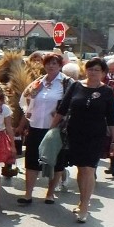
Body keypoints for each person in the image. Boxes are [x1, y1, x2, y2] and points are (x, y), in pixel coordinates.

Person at [53, 57, 114, 223]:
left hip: (95, 136)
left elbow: (112, 119)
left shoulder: (107, 92)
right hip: (75, 134)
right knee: (81, 169)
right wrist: (51, 130)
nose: (93, 72)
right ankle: (82, 200)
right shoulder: (76, 86)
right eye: (90, 69)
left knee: (89, 168)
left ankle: (84, 206)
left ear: (104, 73)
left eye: (97, 70)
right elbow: (61, 110)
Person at [17, 53, 73, 206]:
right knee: (32, 160)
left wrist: (62, 114)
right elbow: (25, 100)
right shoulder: (38, 83)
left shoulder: (67, 83)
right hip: (36, 126)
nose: (51, 66)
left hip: (56, 129)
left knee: (56, 161)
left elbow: (74, 103)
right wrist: (25, 119)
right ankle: (28, 194)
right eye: (48, 63)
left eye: (55, 63)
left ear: (60, 65)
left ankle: (50, 193)